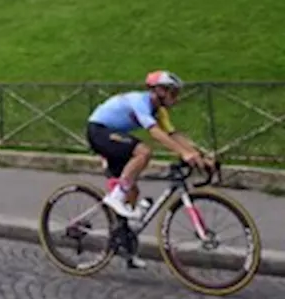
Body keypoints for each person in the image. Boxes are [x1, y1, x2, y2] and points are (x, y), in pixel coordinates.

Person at [86, 71, 213, 222]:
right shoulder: (140, 101)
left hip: (115, 137)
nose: (176, 97)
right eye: (173, 92)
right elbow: (155, 132)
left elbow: (173, 134)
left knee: (132, 191)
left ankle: (123, 233)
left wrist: (199, 155)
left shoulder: (159, 111)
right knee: (143, 152)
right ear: (159, 90)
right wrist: (184, 154)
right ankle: (117, 195)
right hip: (99, 131)